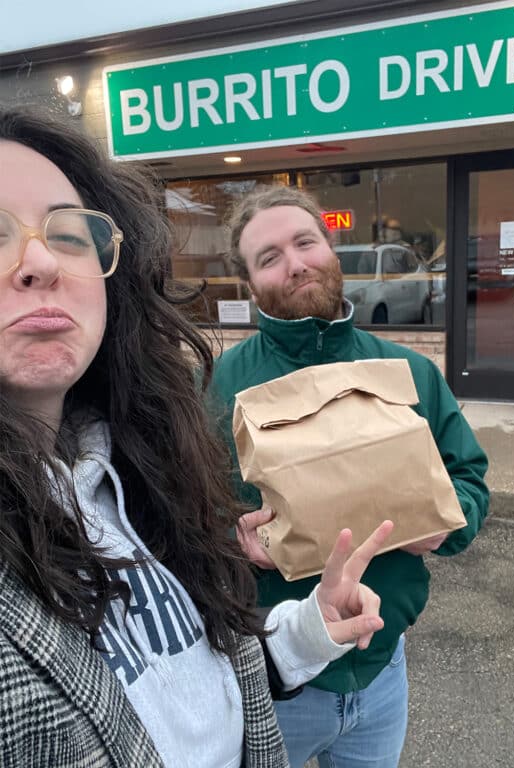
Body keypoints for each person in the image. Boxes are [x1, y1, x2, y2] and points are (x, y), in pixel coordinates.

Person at [0, 107, 391, 767]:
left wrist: (306, 629)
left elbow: (189, 677)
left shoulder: (135, 463)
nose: (39, 260)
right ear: (247, 277)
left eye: (69, 234)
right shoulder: (225, 386)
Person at [208, 185, 490, 768]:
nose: (296, 264)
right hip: (273, 688)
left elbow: (469, 480)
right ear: (250, 282)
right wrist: (229, 541)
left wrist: (442, 523)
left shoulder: (407, 370)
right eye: (270, 257)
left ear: (330, 248)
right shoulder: (215, 388)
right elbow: (176, 516)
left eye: (305, 242)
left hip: (384, 675)